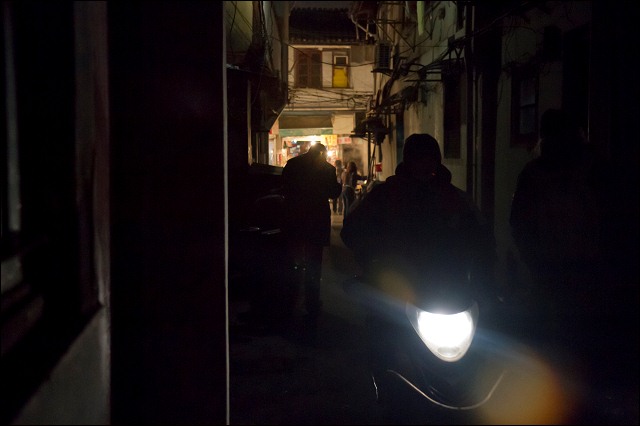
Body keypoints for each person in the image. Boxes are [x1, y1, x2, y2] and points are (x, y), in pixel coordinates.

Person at [341, 133, 496, 303]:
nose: (424, 164)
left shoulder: (454, 197)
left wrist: (481, 278)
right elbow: (352, 229)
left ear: (437, 161)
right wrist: (374, 261)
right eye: (418, 158)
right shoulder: (385, 195)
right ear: (409, 161)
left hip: (445, 289)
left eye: (429, 158)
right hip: (394, 291)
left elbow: (482, 237)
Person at [509, 108, 611, 340]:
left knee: (562, 331)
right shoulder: (592, 169)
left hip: (571, 267)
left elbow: (519, 223)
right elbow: (520, 223)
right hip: (564, 267)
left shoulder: (590, 171)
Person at [281, 143, 342, 322]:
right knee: (314, 265)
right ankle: (312, 305)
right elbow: (333, 192)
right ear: (322, 153)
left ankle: (289, 303)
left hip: (295, 220)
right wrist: (339, 186)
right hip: (317, 221)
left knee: (293, 262)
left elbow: (284, 188)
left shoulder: (293, 164)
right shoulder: (327, 169)